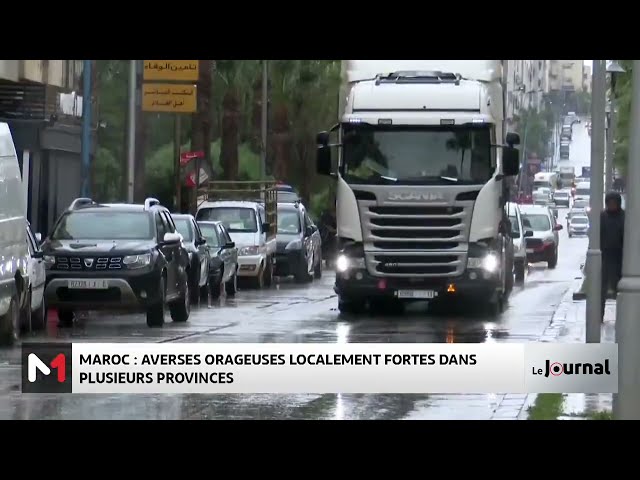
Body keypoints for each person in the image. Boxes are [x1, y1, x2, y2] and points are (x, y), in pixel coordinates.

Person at [600, 191, 625, 322]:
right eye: (609, 203)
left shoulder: (624, 217)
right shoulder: (603, 217)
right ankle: (599, 316)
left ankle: (623, 316)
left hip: (620, 257)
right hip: (605, 256)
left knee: (620, 288)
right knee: (601, 288)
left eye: (614, 203)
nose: (612, 206)